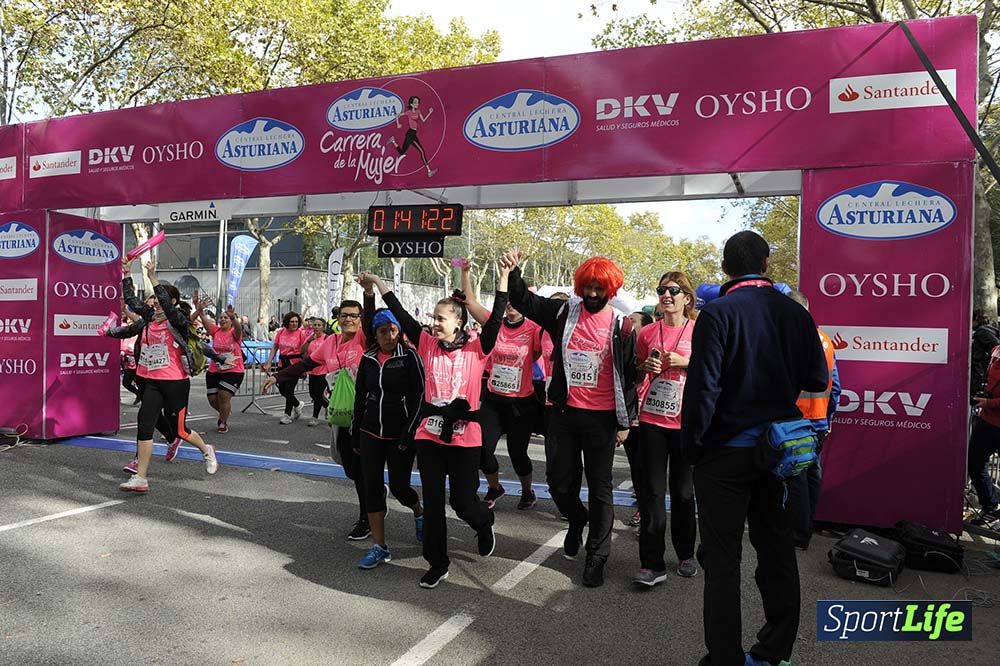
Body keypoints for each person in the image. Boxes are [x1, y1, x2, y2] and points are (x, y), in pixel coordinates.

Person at [681, 231, 827, 666]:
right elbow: (818, 380)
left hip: (723, 454)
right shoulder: (795, 314)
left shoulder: (717, 313)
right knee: (777, 553)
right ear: (766, 264)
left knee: (723, 561)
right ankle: (773, 653)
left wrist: (693, 448)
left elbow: (703, 390)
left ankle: (724, 657)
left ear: (726, 267)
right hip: (779, 455)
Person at [502, 251, 639, 588]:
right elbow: (524, 300)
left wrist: (625, 423)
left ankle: (597, 555)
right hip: (563, 413)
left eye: (599, 288)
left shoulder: (621, 326)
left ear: (611, 289)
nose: (592, 293)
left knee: (600, 488)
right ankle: (577, 519)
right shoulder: (563, 313)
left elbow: (629, 377)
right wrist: (513, 271)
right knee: (558, 483)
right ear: (580, 287)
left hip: (602, 418)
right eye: (587, 287)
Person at [367, 268, 507, 589]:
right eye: (433, 316)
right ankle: (437, 562)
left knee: (462, 502)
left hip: (465, 437)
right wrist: (378, 283)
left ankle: (484, 522)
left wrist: (503, 278)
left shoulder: (478, 348)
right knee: (432, 502)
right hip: (429, 435)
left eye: (441, 318)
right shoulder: (427, 344)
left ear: (458, 322)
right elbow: (401, 314)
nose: (434, 322)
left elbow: (496, 319)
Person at [262, 297, 373, 540]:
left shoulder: (364, 338)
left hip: (367, 414)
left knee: (362, 467)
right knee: (349, 466)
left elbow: (372, 317)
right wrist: (278, 377)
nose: (348, 319)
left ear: (361, 318)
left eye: (354, 315)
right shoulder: (331, 343)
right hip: (342, 413)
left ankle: (368, 516)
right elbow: (306, 363)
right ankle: (374, 497)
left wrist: (369, 293)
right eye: (344, 315)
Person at [116, 258, 219, 492]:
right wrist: (127, 273)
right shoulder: (150, 319)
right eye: (153, 303)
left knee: (179, 430)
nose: (155, 305)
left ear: (170, 303)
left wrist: (153, 277)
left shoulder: (179, 321)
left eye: (159, 302)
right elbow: (131, 300)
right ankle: (141, 477)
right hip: (152, 381)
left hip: (175, 383)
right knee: (145, 425)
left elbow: (168, 305)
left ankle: (206, 450)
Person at [349, 292, 426, 570]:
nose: (389, 336)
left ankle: (419, 512)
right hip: (370, 433)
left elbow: (420, 397)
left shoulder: (410, 358)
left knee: (400, 487)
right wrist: (356, 431)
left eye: (393, 330)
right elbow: (360, 398)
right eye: (383, 331)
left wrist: (410, 432)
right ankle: (379, 547)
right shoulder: (368, 358)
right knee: (371, 488)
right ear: (375, 334)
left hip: (400, 434)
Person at [633, 272, 699, 587]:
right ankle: (652, 563)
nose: (667, 295)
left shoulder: (700, 330)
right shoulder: (647, 333)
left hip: (686, 424)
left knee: (684, 493)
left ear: (687, 297)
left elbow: (716, 369)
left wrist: (686, 362)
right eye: (662, 290)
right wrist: (643, 367)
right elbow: (635, 368)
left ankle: (686, 553)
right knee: (652, 493)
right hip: (652, 421)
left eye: (673, 290)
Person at [460, 262, 543, 510]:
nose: (510, 305)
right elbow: (469, 302)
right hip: (494, 399)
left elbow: (545, 352)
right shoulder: (494, 323)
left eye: (514, 301)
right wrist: (465, 272)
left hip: (522, 403)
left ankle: (527, 491)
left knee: (518, 455)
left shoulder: (534, 329)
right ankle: (495, 487)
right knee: (483, 450)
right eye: (506, 301)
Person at [785, 290, 840, 550]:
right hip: (818, 419)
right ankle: (805, 527)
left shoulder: (791, 339)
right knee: (811, 475)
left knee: (796, 477)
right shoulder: (826, 340)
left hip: (795, 420)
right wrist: (828, 418)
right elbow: (836, 386)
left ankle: (798, 534)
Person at [196, 296, 246, 434]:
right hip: (215, 369)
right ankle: (225, 412)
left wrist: (234, 318)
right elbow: (204, 320)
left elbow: (238, 328)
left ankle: (223, 422)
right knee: (212, 399)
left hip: (234, 369)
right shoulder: (216, 331)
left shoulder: (234, 333)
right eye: (221, 317)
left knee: (224, 395)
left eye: (226, 318)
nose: (223, 319)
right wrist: (199, 309)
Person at [624, 310, 654, 529]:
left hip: (653, 417)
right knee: (636, 465)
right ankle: (643, 508)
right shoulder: (624, 348)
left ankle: (649, 510)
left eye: (632, 321)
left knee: (649, 466)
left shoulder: (655, 347)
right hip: (630, 415)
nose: (628, 323)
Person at [969, 340, 1000, 525]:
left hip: (993, 422)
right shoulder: (996, 349)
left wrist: (987, 402)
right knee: (975, 464)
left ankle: (990, 506)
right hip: (986, 421)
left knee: (976, 464)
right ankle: (990, 506)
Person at [264, 312, 309, 425]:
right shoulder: (281, 332)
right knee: (282, 389)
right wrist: (269, 362)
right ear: (287, 322)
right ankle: (297, 404)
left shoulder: (301, 333)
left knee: (289, 389)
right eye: (292, 322)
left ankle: (287, 415)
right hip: (282, 363)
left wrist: (304, 368)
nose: (294, 324)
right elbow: (275, 347)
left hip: (295, 364)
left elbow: (305, 351)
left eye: (296, 322)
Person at [389, 95, 437, 177]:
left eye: (418, 102)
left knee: (402, 152)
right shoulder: (408, 112)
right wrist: (398, 124)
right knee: (422, 151)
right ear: (411, 104)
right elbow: (397, 115)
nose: (417, 104)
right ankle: (429, 171)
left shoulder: (418, 111)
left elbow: (423, 120)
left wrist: (429, 112)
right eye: (415, 102)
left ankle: (393, 141)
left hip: (413, 133)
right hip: (410, 134)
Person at [302, 318, 330, 427]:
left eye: (319, 325)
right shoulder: (310, 338)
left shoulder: (327, 338)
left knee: (318, 395)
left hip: (323, 370)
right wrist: (308, 341)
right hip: (312, 370)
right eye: (315, 325)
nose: (317, 327)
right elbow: (302, 351)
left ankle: (315, 417)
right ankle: (328, 405)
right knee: (312, 394)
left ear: (323, 327)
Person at [972, 310, 1000, 401]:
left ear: (975, 319)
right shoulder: (988, 330)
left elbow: (996, 348)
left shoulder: (982, 332)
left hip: (983, 373)